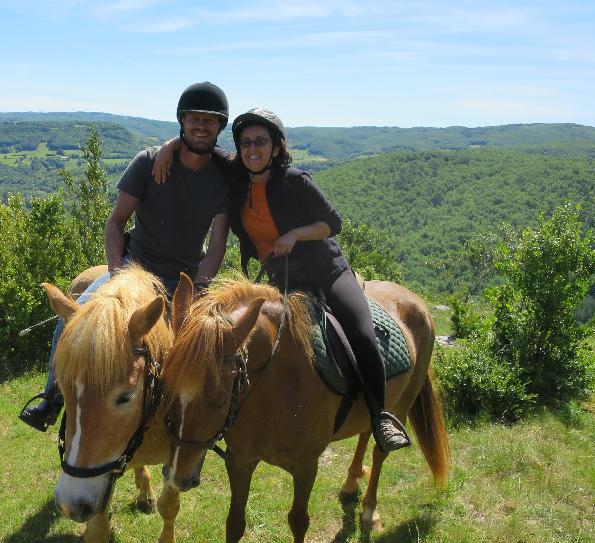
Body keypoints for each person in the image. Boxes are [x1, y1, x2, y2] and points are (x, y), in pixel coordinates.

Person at [153, 108, 411, 452]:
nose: (252, 149)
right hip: (282, 280)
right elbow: (203, 144)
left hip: (326, 273)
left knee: (360, 332)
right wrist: (170, 146)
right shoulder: (238, 175)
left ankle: (380, 416)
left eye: (261, 142)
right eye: (246, 143)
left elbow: (332, 223)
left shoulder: (294, 181)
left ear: (276, 147)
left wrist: (297, 234)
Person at [19, 82, 232, 431]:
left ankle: (200, 419)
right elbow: (116, 222)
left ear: (219, 127)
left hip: (184, 280)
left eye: (210, 121)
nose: (201, 126)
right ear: (182, 120)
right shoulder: (149, 162)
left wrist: (199, 286)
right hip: (133, 269)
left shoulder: (222, 180)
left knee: (215, 342)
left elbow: (218, 243)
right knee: (74, 317)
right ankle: (52, 396)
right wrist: (118, 272)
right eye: (194, 118)